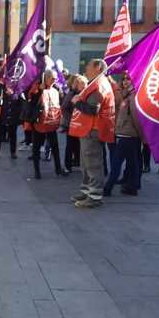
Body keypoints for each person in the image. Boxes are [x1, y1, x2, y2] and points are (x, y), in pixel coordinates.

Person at [69, 59, 116, 209]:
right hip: (88, 129)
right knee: (86, 163)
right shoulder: (96, 83)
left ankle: (95, 196)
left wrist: (76, 101)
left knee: (93, 163)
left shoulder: (99, 85)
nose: (86, 68)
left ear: (97, 68)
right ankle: (86, 191)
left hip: (93, 130)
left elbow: (92, 109)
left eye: (88, 65)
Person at [103, 72, 143, 197]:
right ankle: (133, 187)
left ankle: (108, 188)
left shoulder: (132, 97)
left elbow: (136, 118)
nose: (125, 81)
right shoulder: (126, 96)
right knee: (132, 163)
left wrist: (141, 136)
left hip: (128, 136)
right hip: (125, 135)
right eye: (124, 79)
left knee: (117, 162)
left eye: (128, 79)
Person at [30, 69, 66, 179]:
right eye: (52, 79)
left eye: (55, 79)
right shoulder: (37, 89)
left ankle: (58, 169)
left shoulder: (55, 90)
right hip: (39, 125)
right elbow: (32, 103)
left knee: (55, 147)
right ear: (45, 78)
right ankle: (37, 171)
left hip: (51, 124)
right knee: (36, 148)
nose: (54, 81)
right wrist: (39, 91)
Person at [60, 75, 87, 173]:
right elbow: (64, 107)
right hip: (71, 124)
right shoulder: (72, 94)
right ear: (77, 84)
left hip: (81, 124)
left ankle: (77, 162)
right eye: (82, 84)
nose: (84, 86)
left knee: (78, 144)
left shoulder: (85, 94)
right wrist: (71, 118)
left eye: (85, 84)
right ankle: (68, 166)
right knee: (70, 145)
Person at [0, 84, 24, 160]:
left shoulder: (17, 87)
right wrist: (0, 99)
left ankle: (13, 152)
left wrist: (13, 95)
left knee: (13, 135)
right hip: (1, 116)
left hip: (12, 116)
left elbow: (21, 102)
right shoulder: (1, 88)